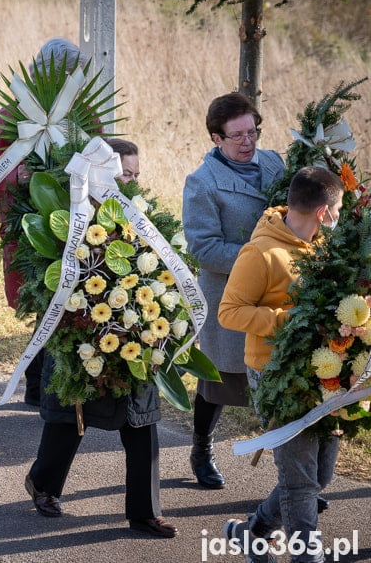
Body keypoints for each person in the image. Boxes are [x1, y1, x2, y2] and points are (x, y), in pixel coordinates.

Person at [23, 137, 177, 538]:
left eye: (135, 176)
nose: (131, 183)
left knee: (141, 419)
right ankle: (44, 484)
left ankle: (145, 510)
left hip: (132, 332)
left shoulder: (141, 215)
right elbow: (45, 282)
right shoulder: (69, 216)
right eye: (124, 174)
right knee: (69, 418)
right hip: (81, 334)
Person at [218, 166, 344, 563]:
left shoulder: (322, 246)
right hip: (275, 377)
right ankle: (307, 556)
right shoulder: (260, 253)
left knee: (318, 475)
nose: (339, 216)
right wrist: (290, 320)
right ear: (324, 211)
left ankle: (251, 532)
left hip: (322, 374)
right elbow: (229, 312)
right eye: (338, 208)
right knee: (300, 481)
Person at [182, 92, 285, 489]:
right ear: (216, 138)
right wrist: (258, 261)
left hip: (277, 298)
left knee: (280, 385)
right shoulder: (202, 183)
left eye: (253, 132)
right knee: (218, 386)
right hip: (230, 297)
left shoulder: (275, 163)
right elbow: (203, 248)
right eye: (238, 135)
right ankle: (201, 449)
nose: (248, 142)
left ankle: (292, 477)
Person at [0, 37, 87, 406]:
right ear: (45, 74)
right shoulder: (13, 113)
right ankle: (39, 383)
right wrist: (24, 175)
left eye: (76, 75)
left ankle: (57, 383)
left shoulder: (84, 112)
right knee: (43, 299)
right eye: (66, 74)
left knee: (70, 297)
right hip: (27, 225)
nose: (72, 81)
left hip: (77, 221)